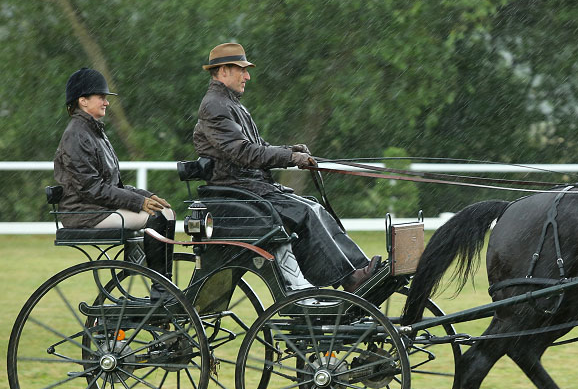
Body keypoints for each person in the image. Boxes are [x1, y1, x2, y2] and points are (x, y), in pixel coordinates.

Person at [192, 42, 380, 292]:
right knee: (305, 212)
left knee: (313, 206)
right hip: (237, 190)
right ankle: (350, 279)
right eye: (242, 70)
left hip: (251, 187)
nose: (247, 76)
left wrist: (291, 150)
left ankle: (357, 270)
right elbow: (242, 152)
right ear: (224, 71)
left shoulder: (230, 103)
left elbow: (255, 146)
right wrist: (289, 158)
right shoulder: (215, 105)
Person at [54, 68, 176, 296]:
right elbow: (91, 189)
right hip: (85, 213)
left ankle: (163, 282)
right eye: (101, 97)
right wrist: (138, 203)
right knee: (157, 216)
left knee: (166, 212)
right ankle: (161, 288)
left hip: (99, 207)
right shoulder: (76, 135)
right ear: (83, 101)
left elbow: (114, 185)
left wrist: (145, 196)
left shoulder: (94, 132)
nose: (106, 102)